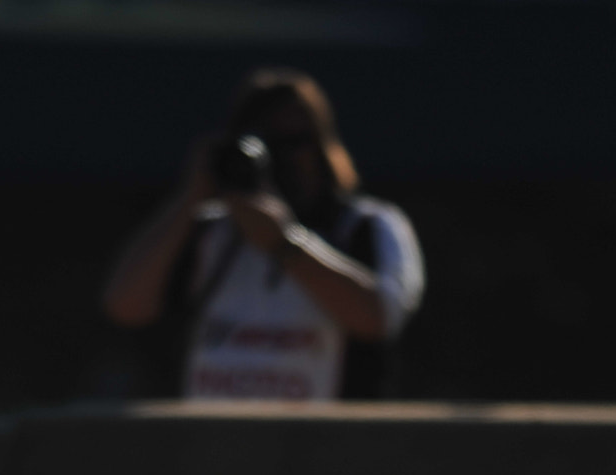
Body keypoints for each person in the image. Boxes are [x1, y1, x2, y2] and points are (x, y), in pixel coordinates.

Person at [102, 68, 424, 400]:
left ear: (322, 145)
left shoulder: (368, 225)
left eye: (295, 142)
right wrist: (191, 198)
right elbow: (125, 305)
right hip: (213, 444)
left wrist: (284, 242)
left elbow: (379, 320)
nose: (283, 160)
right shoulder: (209, 230)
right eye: (268, 145)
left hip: (327, 446)